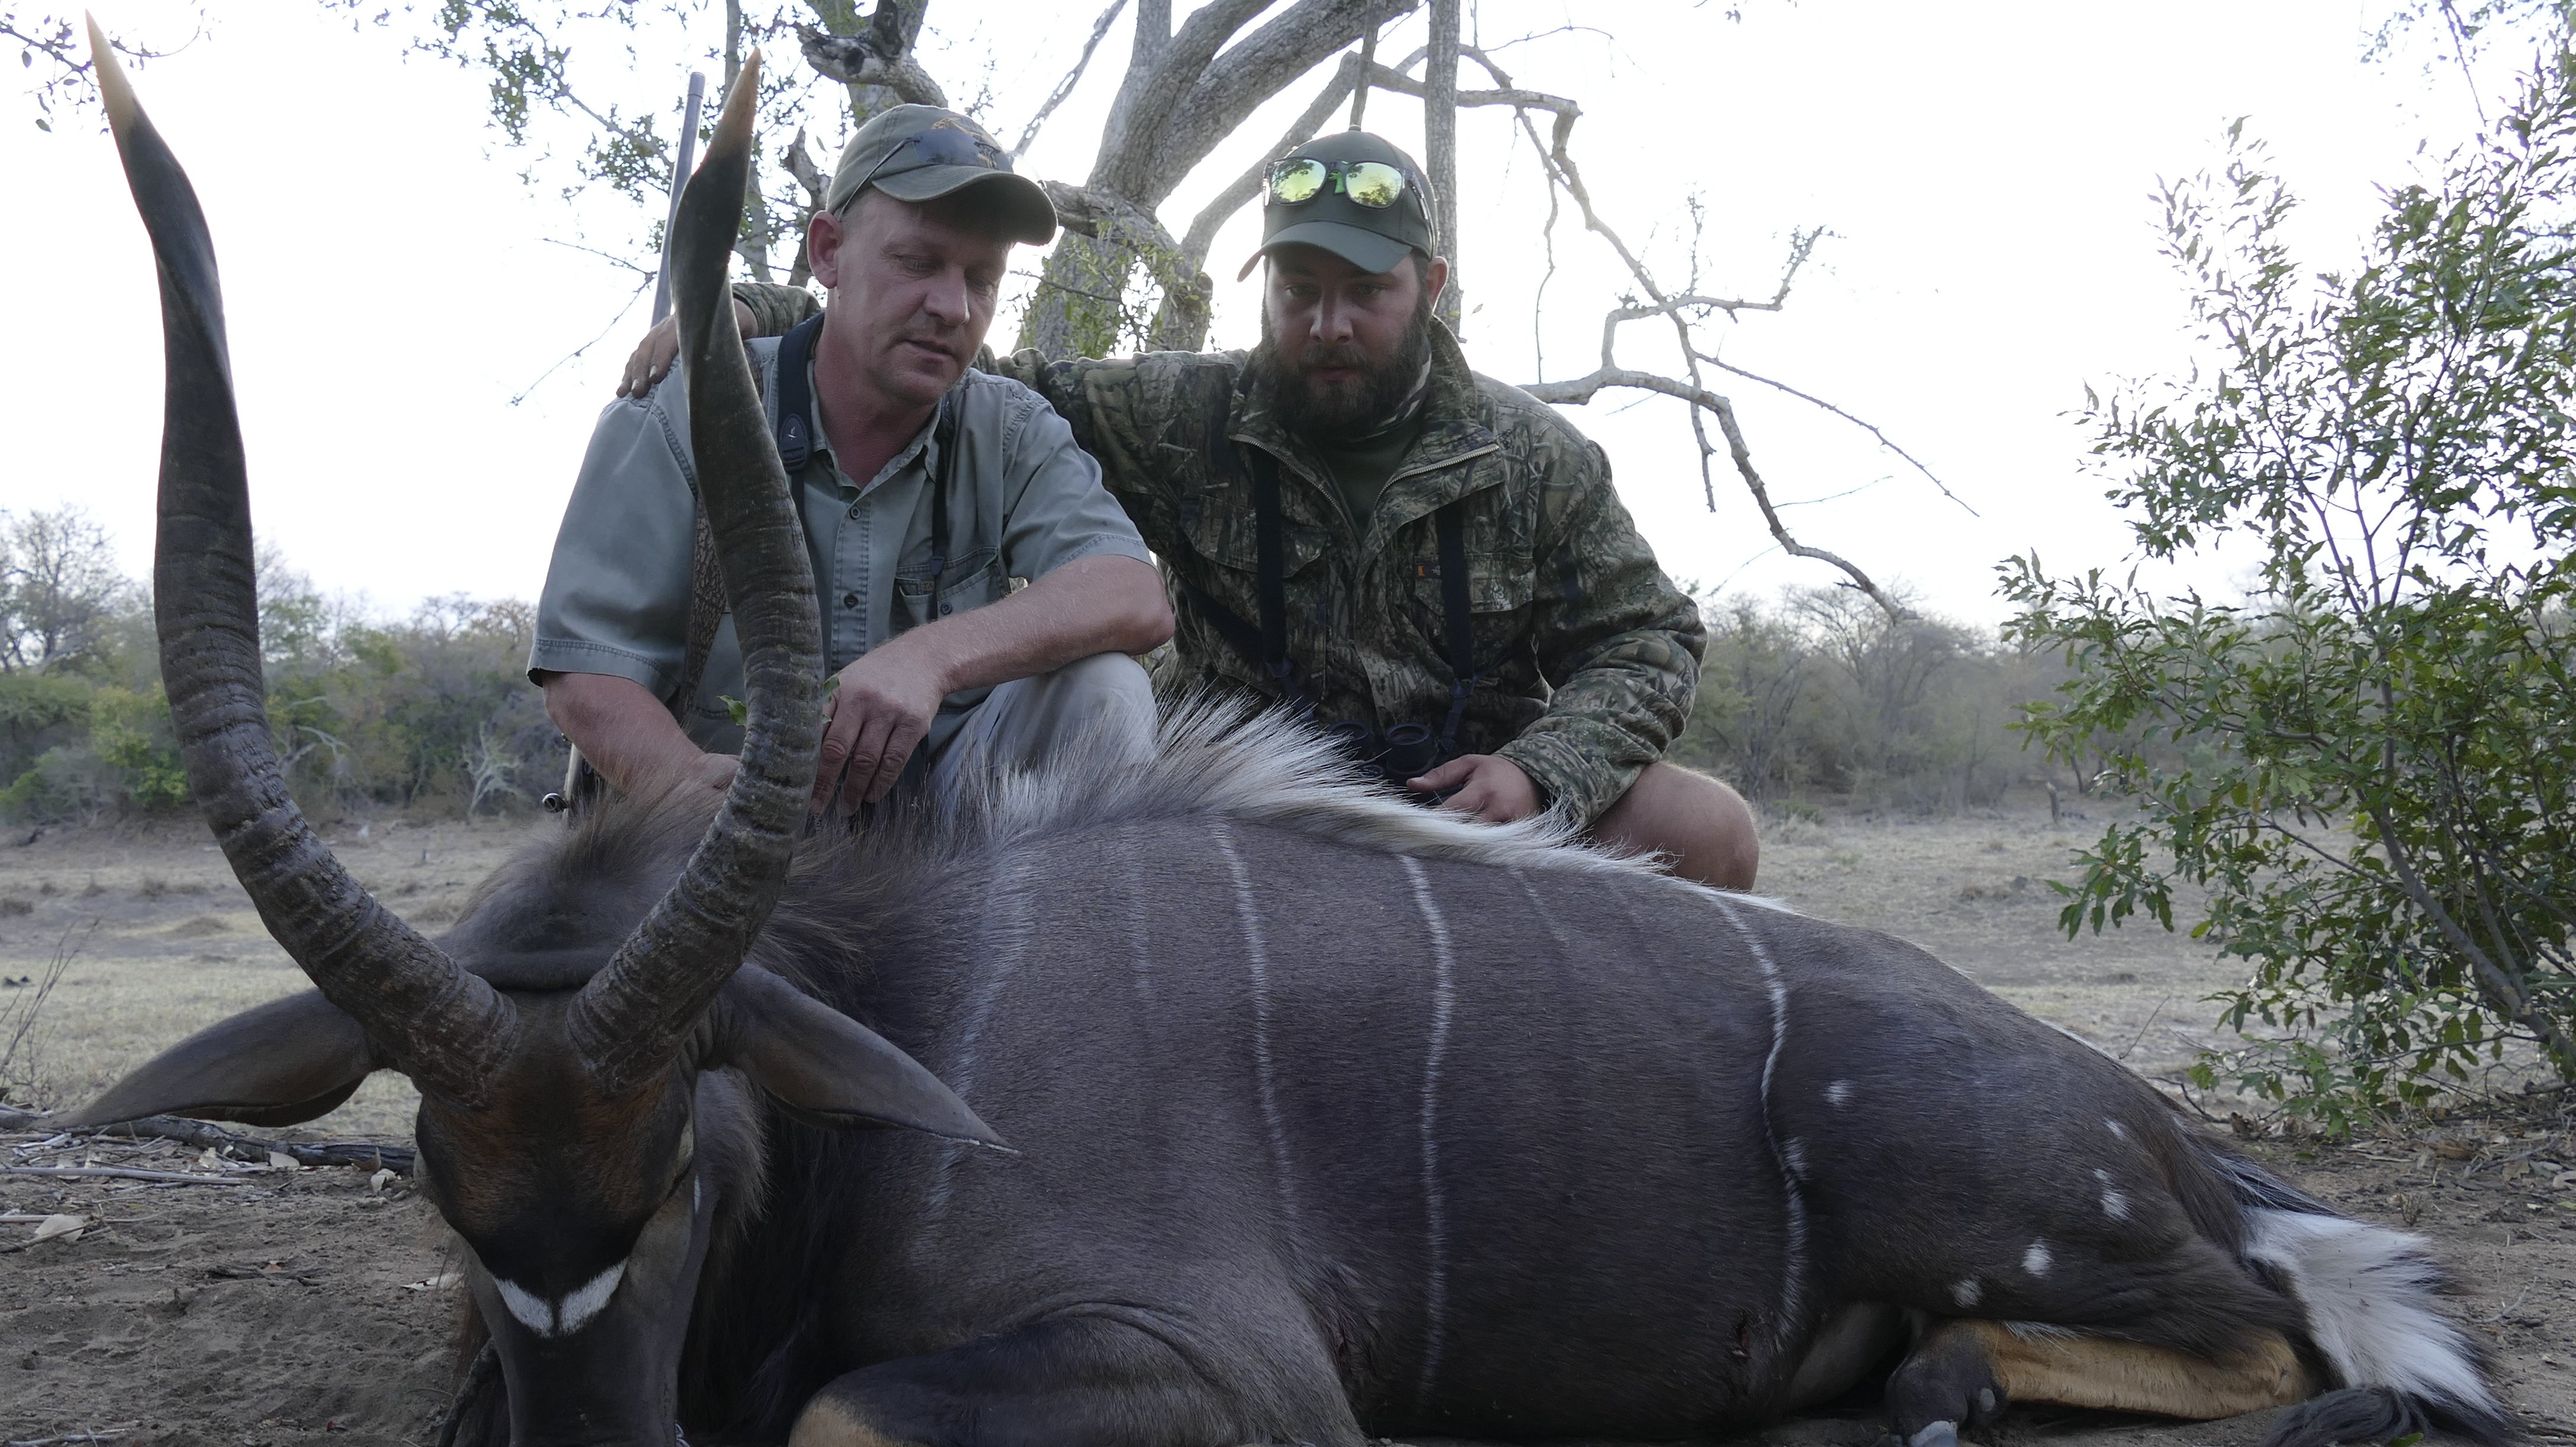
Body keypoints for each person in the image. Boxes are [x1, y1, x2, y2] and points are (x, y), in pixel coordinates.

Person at [630, 130, 1758, 887]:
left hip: (1467, 802)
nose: (1327, 325)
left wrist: (1540, 770)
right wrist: (754, 307)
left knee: (1705, 831)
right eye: (1298, 290)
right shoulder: (1184, 408)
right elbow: (986, 374)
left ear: (1430, 288)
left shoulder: (1536, 458)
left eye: (1366, 293)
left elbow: (1648, 641)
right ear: (1263, 285)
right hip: (1242, 798)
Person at [533, 104, 1171, 814]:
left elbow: (1130, 592)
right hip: (719, 827)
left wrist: (930, 658)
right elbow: (586, 673)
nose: (953, 307)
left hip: (942, 847)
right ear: (829, 252)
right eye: (917, 262)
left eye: (982, 278)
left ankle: (1059, 927)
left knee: (1107, 690)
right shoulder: (681, 409)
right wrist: (689, 789)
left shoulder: (1010, 426)